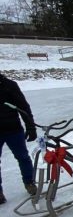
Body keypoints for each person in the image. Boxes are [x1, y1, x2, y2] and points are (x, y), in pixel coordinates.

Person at [0, 73, 38, 205]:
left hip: (13, 130)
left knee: (23, 157)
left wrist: (31, 127)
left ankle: (29, 183)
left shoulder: (9, 85)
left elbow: (23, 107)